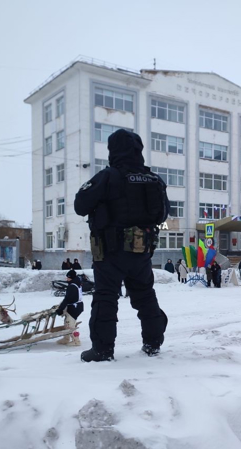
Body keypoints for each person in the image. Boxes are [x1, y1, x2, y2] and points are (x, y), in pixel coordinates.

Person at [74, 129, 168, 362]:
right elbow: (162, 214)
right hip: (141, 250)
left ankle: (102, 350)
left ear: (113, 150)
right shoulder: (155, 180)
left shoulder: (109, 176)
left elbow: (80, 205)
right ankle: (153, 343)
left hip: (110, 251)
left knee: (106, 297)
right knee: (145, 296)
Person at [54, 269, 83, 346]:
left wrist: (60, 309)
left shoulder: (72, 286)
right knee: (66, 322)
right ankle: (66, 339)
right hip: (77, 306)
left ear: (71, 278)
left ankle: (76, 341)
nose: (66, 279)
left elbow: (67, 299)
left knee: (69, 324)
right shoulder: (77, 283)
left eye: (68, 278)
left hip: (74, 307)